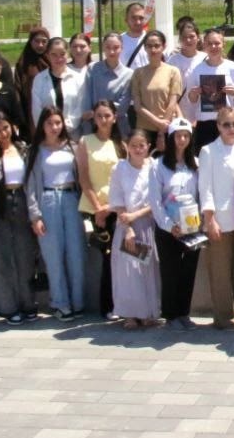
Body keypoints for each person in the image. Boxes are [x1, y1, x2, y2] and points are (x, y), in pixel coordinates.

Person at [24, 106, 86, 321]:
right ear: (42, 125)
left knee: (76, 253)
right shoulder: (35, 151)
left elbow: (83, 177)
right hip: (48, 201)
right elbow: (30, 185)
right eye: (50, 123)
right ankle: (60, 303)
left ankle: (77, 302)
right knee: (53, 256)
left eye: (58, 123)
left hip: (71, 199)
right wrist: (35, 216)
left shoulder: (72, 147)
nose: (54, 127)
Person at [0, 112, 40, 325]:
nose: (3, 133)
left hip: (21, 200)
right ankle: (9, 307)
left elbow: (32, 177)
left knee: (25, 256)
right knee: (3, 260)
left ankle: (29, 304)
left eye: (5, 128)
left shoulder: (23, 148)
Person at [198, 106, 234, 330]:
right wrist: (209, 219)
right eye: (226, 124)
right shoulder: (208, 151)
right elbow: (205, 188)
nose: (231, 128)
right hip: (219, 218)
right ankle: (222, 316)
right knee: (220, 270)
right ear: (218, 126)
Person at [149, 118, 202, 330]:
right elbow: (155, 201)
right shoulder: (158, 165)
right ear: (171, 138)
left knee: (189, 270)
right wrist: (170, 225)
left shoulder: (196, 164)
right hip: (168, 228)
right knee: (170, 270)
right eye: (178, 136)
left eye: (186, 136)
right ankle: (171, 315)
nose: (182, 140)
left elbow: (200, 194)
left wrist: (198, 222)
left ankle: (184, 313)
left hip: (192, 226)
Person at [108, 129, 162, 330]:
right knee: (128, 272)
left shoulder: (154, 167)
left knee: (148, 270)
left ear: (148, 146)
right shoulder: (120, 168)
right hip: (126, 225)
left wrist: (137, 215)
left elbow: (156, 200)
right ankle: (130, 314)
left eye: (142, 145)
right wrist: (128, 226)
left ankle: (148, 313)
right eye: (134, 146)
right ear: (126, 146)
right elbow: (117, 199)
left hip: (147, 224)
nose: (138, 149)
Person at [76, 101, 125, 320]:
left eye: (107, 116)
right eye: (99, 116)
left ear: (114, 117)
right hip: (95, 209)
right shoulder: (85, 141)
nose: (103, 120)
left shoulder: (120, 145)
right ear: (93, 118)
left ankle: (124, 303)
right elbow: (83, 178)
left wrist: (110, 207)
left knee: (121, 257)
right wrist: (98, 209)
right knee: (108, 258)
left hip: (115, 207)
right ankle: (108, 306)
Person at [186, 28, 234, 152]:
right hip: (205, 124)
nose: (213, 47)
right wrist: (194, 94)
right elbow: (192, 100)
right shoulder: (197, 69)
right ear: (204, 45)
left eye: (217, 43)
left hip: (228, 123)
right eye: (209, 43)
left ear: (223, 44)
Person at [131, 30, 184, 151]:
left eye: (157, 46)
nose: (153, 50)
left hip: (167, 128)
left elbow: (172, 102)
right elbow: (138, 106)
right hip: (144, 130)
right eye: (149, 46)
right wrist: (158, 122)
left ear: (163, 47)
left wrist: (161, 131)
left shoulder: (173, 71)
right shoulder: (138, 73)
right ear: (145, 48)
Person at [28, 37, 87, 142]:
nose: (58, 58)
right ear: (47, 55)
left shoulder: (77, 78)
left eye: (62, 54)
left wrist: (64, 127)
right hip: (47, 136)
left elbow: (80, 107)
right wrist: (49, 128)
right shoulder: (39, 79)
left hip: (72, 136)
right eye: (54, 54)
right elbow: (36, 110)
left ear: (68, 54)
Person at [84, 32, 134, 138]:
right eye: (108, 47)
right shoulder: (93, 69)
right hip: (94, 127)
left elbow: (122, 107)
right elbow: (87, 97)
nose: (112, 51)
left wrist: (98, 113)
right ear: (103, 48)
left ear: (122, 48)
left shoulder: (128, 74)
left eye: (116, 47)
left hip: (118, 130)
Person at [167, 22, 207, 124]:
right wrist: (177, 113)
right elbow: (168, 91)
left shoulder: (206, 59)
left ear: (198, 38)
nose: (188, 40)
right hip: (179, 115)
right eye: (184, 37)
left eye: (192, 36)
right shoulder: (172, 61)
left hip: (203, 115)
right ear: (179, 39)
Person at [14, 26, 50, 110]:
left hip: (51, 110)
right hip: (29, 108)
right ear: (30, 42)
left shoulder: (53, 61)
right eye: (36, 41)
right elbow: (17, 90)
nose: (40, 45)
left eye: (44, 41)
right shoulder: (23, 64)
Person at [119, 2, 151, 69]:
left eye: (141, 18)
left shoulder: (152, 39)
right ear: (126, 20)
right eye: (133, 18)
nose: (138, 22)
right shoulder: (119, 41)